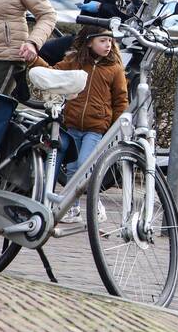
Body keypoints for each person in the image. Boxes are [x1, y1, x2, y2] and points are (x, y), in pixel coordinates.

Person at [30, 25, 128, 224]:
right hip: (72, 126)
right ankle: (69, 208)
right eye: (102, 41)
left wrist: (114, 129)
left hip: (96, 129)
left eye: (110, 41)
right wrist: (33, 60)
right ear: (89, 42)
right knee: (67, 165)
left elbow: (121, 100)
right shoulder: (74, 62)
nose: (108, 45)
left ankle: (88, 205)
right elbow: (53, 74)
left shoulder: (115, 69)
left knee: (82, 165)